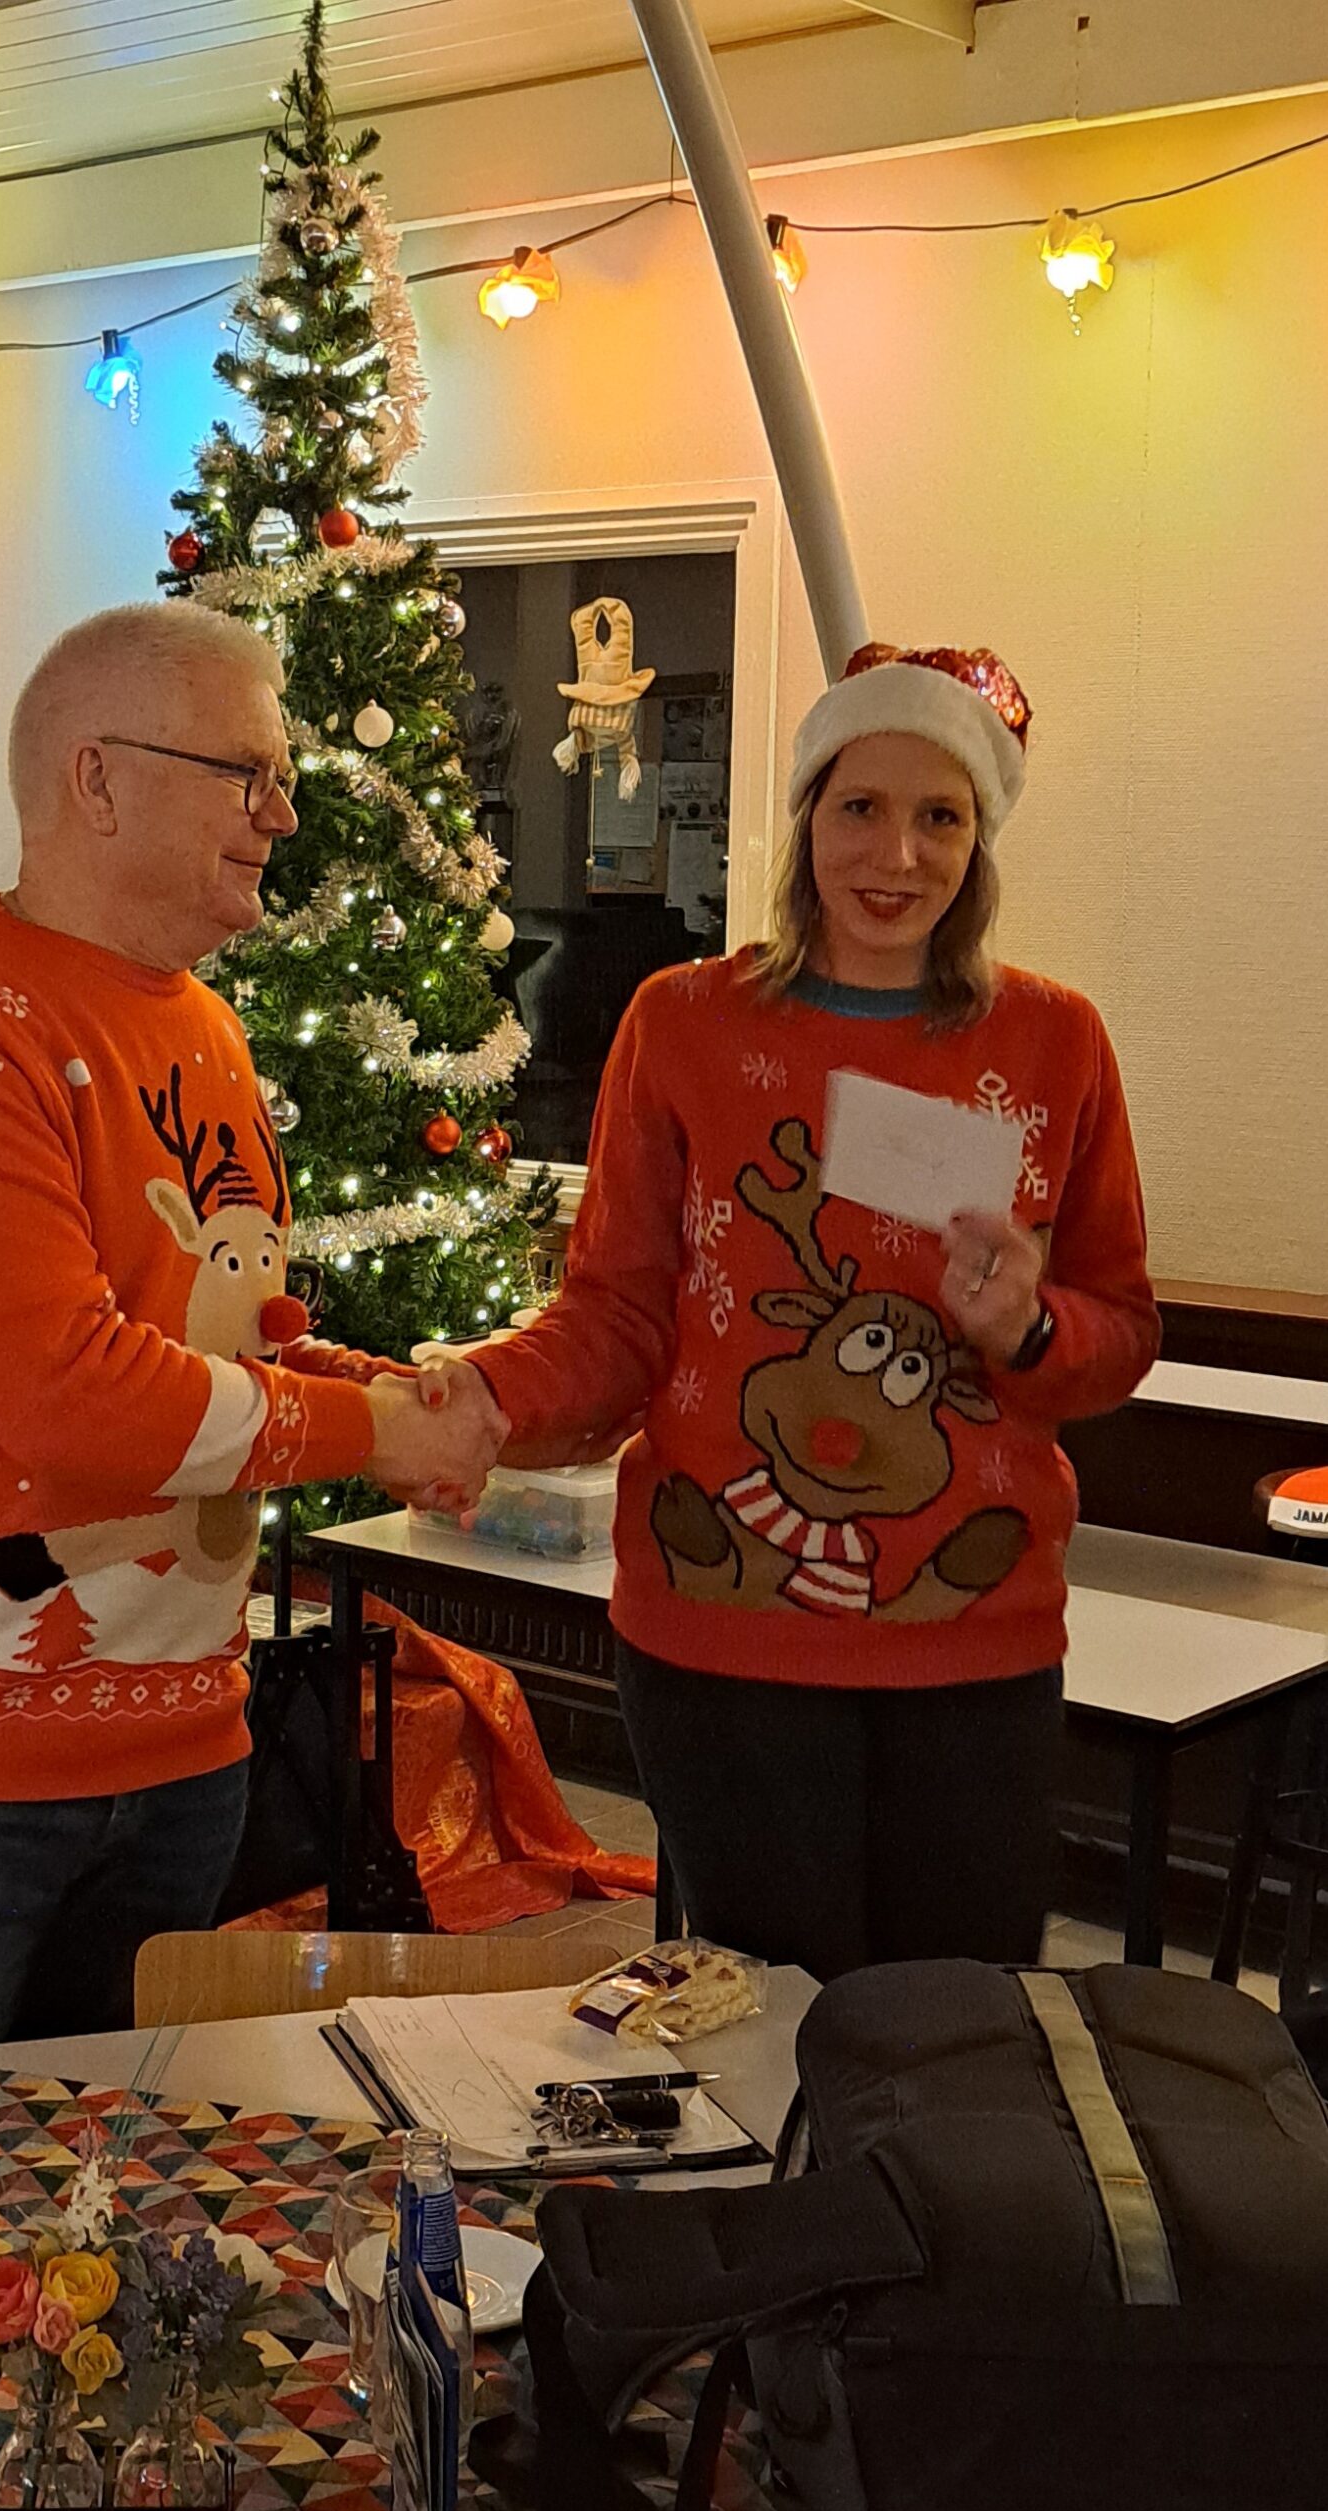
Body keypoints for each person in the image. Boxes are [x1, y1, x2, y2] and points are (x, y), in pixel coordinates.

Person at [0, 602, 489, 2052]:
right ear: (95, 780)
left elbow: (211, 1344)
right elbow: (68, 1392)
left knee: (115, 2178)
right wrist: (375, 1432)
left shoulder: (205, 1030)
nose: (281, 815)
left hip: (183, 1751)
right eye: (245, 773)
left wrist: (399, 1391)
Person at [432, 643, 1160, 1981]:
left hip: (972, 1643)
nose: (897, 855)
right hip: (723, 1634)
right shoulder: (683, 1023)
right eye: (859, 808)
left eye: (939, 817)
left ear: (980, 841)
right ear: (807, 815)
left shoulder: (1054, 1042)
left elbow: (1118, 1334)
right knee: (766, 2031)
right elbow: (616, 1314)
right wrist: (481, 1398)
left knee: (959, 2030)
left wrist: (1026, 1330)